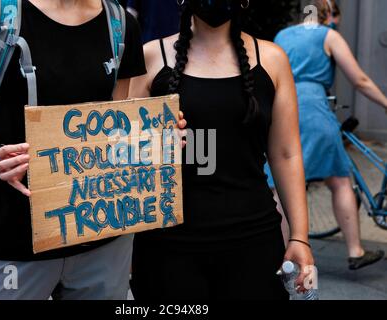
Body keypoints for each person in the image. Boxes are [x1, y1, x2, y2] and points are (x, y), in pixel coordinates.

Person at [0, 0, 147, 300]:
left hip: (101, 236)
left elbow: (113, 128)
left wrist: (155, 139)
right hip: (12, 238)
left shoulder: (121, 25)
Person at [128, 0, 315, 300]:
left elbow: (286, 153)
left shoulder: (272, 59)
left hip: (254, 242)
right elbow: (120, 151)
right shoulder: (150, 57)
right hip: (166, 246)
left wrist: (300, 237)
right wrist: (150, 146)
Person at [266, 0, 387, 270]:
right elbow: (360, 80)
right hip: (315, 111)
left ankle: (277, 251)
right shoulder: (328, 35)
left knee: (278, 185)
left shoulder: (282, 36)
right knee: (340, 180)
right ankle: (355, 250)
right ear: (329, 14)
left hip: (283, 109)